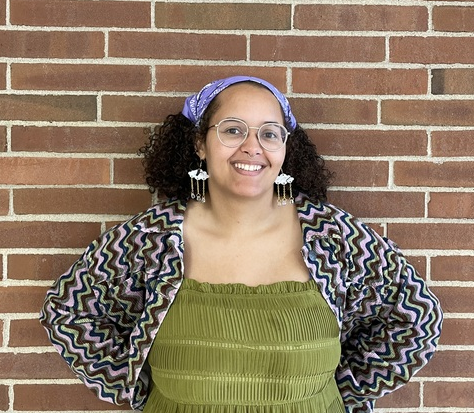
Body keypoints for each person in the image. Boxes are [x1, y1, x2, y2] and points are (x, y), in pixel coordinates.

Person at [40, 76, 442, 413]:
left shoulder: (334, 237)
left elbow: (416, 317)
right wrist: (139, 388)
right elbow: (70, 312)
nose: (253, 147)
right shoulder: (151, 238)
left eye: (270, 133)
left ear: (286, 150)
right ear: (200, 143)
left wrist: (339, 393)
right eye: (233, 129)